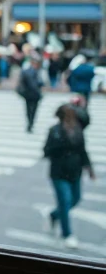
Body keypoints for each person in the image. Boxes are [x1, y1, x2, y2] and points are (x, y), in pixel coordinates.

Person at [44, 105, 96, 249]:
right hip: (59, 173)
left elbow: (83, 150)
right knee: (65, 201)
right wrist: (59, 144)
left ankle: (54, 215)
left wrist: (89, 168)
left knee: (75, 199)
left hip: (75, 172)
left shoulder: (78, 130)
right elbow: (46, 151)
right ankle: (67, 234)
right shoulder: (55, 131)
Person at [18, 56, 45, 133]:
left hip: (30, 94)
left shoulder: (30, 71)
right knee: (31, 110)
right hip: (32, 94)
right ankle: (30, 123)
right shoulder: (31, 72)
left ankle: (30, 123)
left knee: (30, 110)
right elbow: (32, 84)